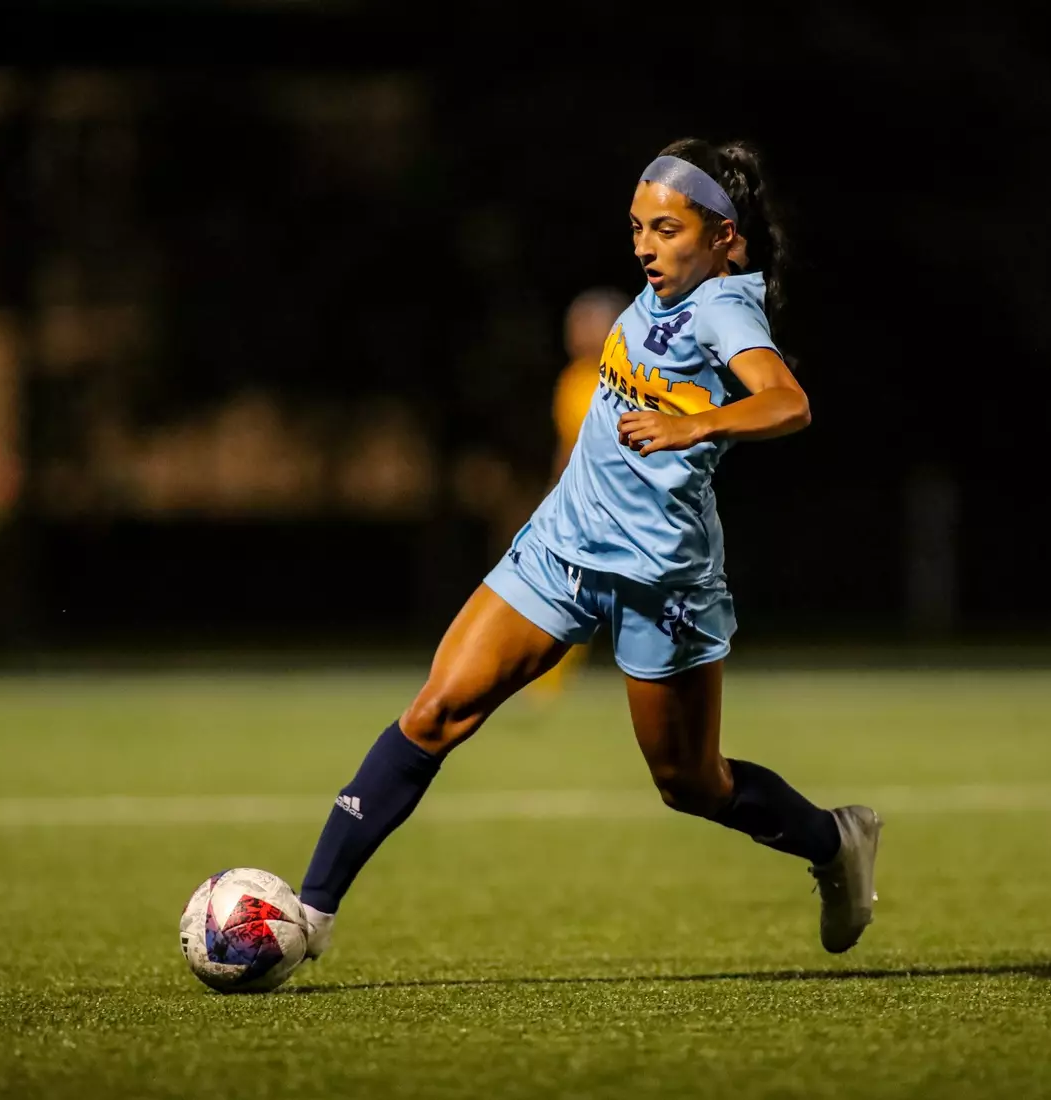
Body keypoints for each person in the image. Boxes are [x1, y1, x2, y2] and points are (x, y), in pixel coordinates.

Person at [295, 137, 881, 962]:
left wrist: (696, 423)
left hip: (659, 581)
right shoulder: (674, 284)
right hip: (562, 549)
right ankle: (309, 915)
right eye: (639, 226)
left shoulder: (724, 308)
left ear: (723, 239)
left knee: (691, 785)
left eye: (668, 229)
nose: (645, 244)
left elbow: (789, 403)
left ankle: (832, 842)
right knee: (435, 712)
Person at [531, 286, 632, 697]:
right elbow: (567, 445)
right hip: (581, 504)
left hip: (624, 502)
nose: (575, 334)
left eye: (586, 323)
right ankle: (545, 679)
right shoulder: (572, 380)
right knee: (566, 591)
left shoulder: (630, 377)